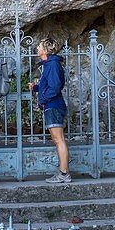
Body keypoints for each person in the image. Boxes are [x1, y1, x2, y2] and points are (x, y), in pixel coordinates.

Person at [31, 36, 71, 183]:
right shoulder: (49, 65)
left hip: (53, 106)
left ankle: (64, 173)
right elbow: (49, 85)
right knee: (57, 139)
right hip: (51, 105)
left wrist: (42, 99)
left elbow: (55, 87)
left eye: (40, 46)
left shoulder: (53, 65)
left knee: (59, 139)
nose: (37, 48)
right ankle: (63, 172)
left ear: (46, 50)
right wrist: (36, 88)